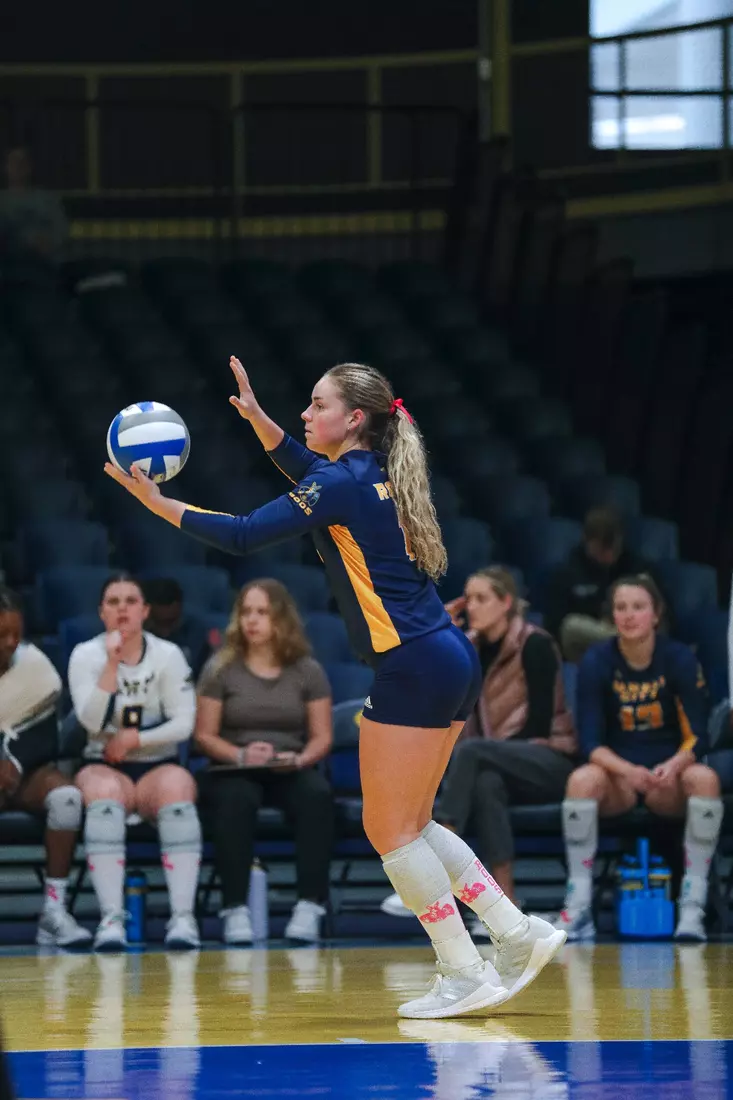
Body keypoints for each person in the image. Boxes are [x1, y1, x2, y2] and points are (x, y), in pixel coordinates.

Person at [103, 355, 566, 1019]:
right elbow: (306, 471)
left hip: (411, 664)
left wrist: (157, 503)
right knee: (413, 822)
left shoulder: (342, 483)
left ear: (353, 419)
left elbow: (240, 536)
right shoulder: (365, 471)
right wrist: (261, 423)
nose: (304, 414)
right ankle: (519, 934)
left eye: (316, 405)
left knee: (390, 830)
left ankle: (463, 970)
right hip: (444, 656)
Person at [381, 566, 577, 923]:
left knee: (473, 754)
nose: (472, 606)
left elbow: (539, 724)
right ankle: (506, 910)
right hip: (494, 765)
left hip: (548, 758)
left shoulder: (535, 644)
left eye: (481, 598)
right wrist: (442, 636)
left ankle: (430, 869)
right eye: (467, 598)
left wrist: (488, 753)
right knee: (486, 784)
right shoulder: (467, 648)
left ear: (506, 603)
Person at [556, 574, 722, 942]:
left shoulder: (678, 658)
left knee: (705, 779)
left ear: (656, 614)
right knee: (581, 779)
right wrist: (629, 771)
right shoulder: (596, 661)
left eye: (638, 607)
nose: (629, 615)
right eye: (620, 607)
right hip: (620, 776)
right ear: (611, 616)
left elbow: (699, 736)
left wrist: (674, 766)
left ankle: (692, 905)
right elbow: (590, 743)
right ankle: (579, 903)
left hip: (669, 775)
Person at [195, 578, 334, 944]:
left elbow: (322, 736)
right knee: (236, 799)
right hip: (234, 766)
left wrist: (301, 758)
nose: (252, 621)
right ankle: (235, 908)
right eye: (246, 612)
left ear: (281, 619)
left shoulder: (308, 670)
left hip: (288, 765)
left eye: (261, 612)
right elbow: (204, 735)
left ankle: (309, 905)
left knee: (317, 795)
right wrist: (240, 754)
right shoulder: (220, 668)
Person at [69, 574, 201, 951]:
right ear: (101, 612)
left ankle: (182, 918)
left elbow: (184, 723)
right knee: (104, 792)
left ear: (145, 611)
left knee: (178, 787)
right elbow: (91, 722)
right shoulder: (86, 655)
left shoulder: (168, 655)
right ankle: (111, 919)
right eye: (113, 602)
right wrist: (112, 664)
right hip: (102, 764)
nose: (122, 608)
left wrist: (135, 739)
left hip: (155, 766)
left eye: (130, 601)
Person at [0, 587, 90, 948]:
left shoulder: (36, 668)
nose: (10, 643)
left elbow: (44, 735)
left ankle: (54, 912)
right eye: (2, 635)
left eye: (16, 635)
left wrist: (14, 763)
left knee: (67, 797)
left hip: (25, 770)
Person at [545, 507, 659, 663]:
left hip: (628, 632)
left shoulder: (636, 567)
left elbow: (660, 611)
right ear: (587, 541)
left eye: (614, 548)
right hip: (590, 645)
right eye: (602, 549)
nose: (609, 556)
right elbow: (556, 626)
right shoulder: (568, 572)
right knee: (572, 626)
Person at [0, 145, 68, 262]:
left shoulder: (47, 199)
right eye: (14, 162)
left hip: (41, 262)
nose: (18, 166)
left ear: (30, 167)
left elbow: (61, 232)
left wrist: (45, 244)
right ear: (5, 168)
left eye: (22, 162)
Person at [143, 577, 214, 679]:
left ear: (179, 606)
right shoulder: (139, 632)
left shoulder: (196, 632)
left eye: (170, 603)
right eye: (161, 603)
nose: (167, 610)